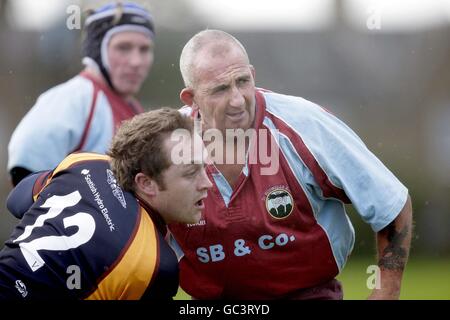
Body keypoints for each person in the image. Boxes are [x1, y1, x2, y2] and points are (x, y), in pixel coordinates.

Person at [168, 29, 413, 300]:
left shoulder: (305, 124)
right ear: (191, 99)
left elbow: (389, 202)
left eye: (242, 81)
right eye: (220, 89)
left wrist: (386, 292)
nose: (237, 99)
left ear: (253, 74)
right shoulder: (165, 146)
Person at [0, 108, 212, 300]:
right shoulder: (154, 264)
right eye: (191, 173)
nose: (207, 183)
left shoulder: (85, 163)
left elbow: (16, 200)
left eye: (204, 167)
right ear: (146, 183)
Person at [7, 2, 155, 186]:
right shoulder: (74, 97)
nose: (136, 61)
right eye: (123, 47)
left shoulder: (134, 108)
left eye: (144, 49)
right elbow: (24, 171)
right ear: (97, 51)